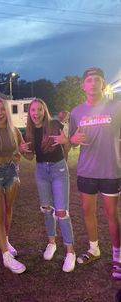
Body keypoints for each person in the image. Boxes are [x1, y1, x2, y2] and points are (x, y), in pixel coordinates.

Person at [69, 67, 121, 279]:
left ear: (103, 83)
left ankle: (118, 257)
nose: (93, 83)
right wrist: (72, 141)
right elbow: (72, 139)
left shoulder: (116, 107)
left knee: (112, 215)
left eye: (97, 80)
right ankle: (94, 249)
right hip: (87, 171)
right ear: (83, 85)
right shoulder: (76, 112)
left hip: (110, 170)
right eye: (89, 80)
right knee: (87, 212)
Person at [22, 98, 76, 272]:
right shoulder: (29, 131)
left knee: (61, 212)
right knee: (47, 209)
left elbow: (67, 147)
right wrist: (22, 151)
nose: (36, 113)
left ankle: (70, 251)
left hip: (58, 170)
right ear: (29, 113)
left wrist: (65, 141)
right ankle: (51, 243)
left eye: (39, 110)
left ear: (44, 111)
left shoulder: (54, 125)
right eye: (33, 111)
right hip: (41, 171)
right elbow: (30, 157)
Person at [0, 97, 26, 274]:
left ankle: (5, 240)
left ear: (7, 111)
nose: (0, 113)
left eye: (2, 109)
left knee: (9, 209)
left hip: (12, 174)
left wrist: (15, 161)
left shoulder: (14, 130)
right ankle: (6, 256)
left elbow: (21, 151)